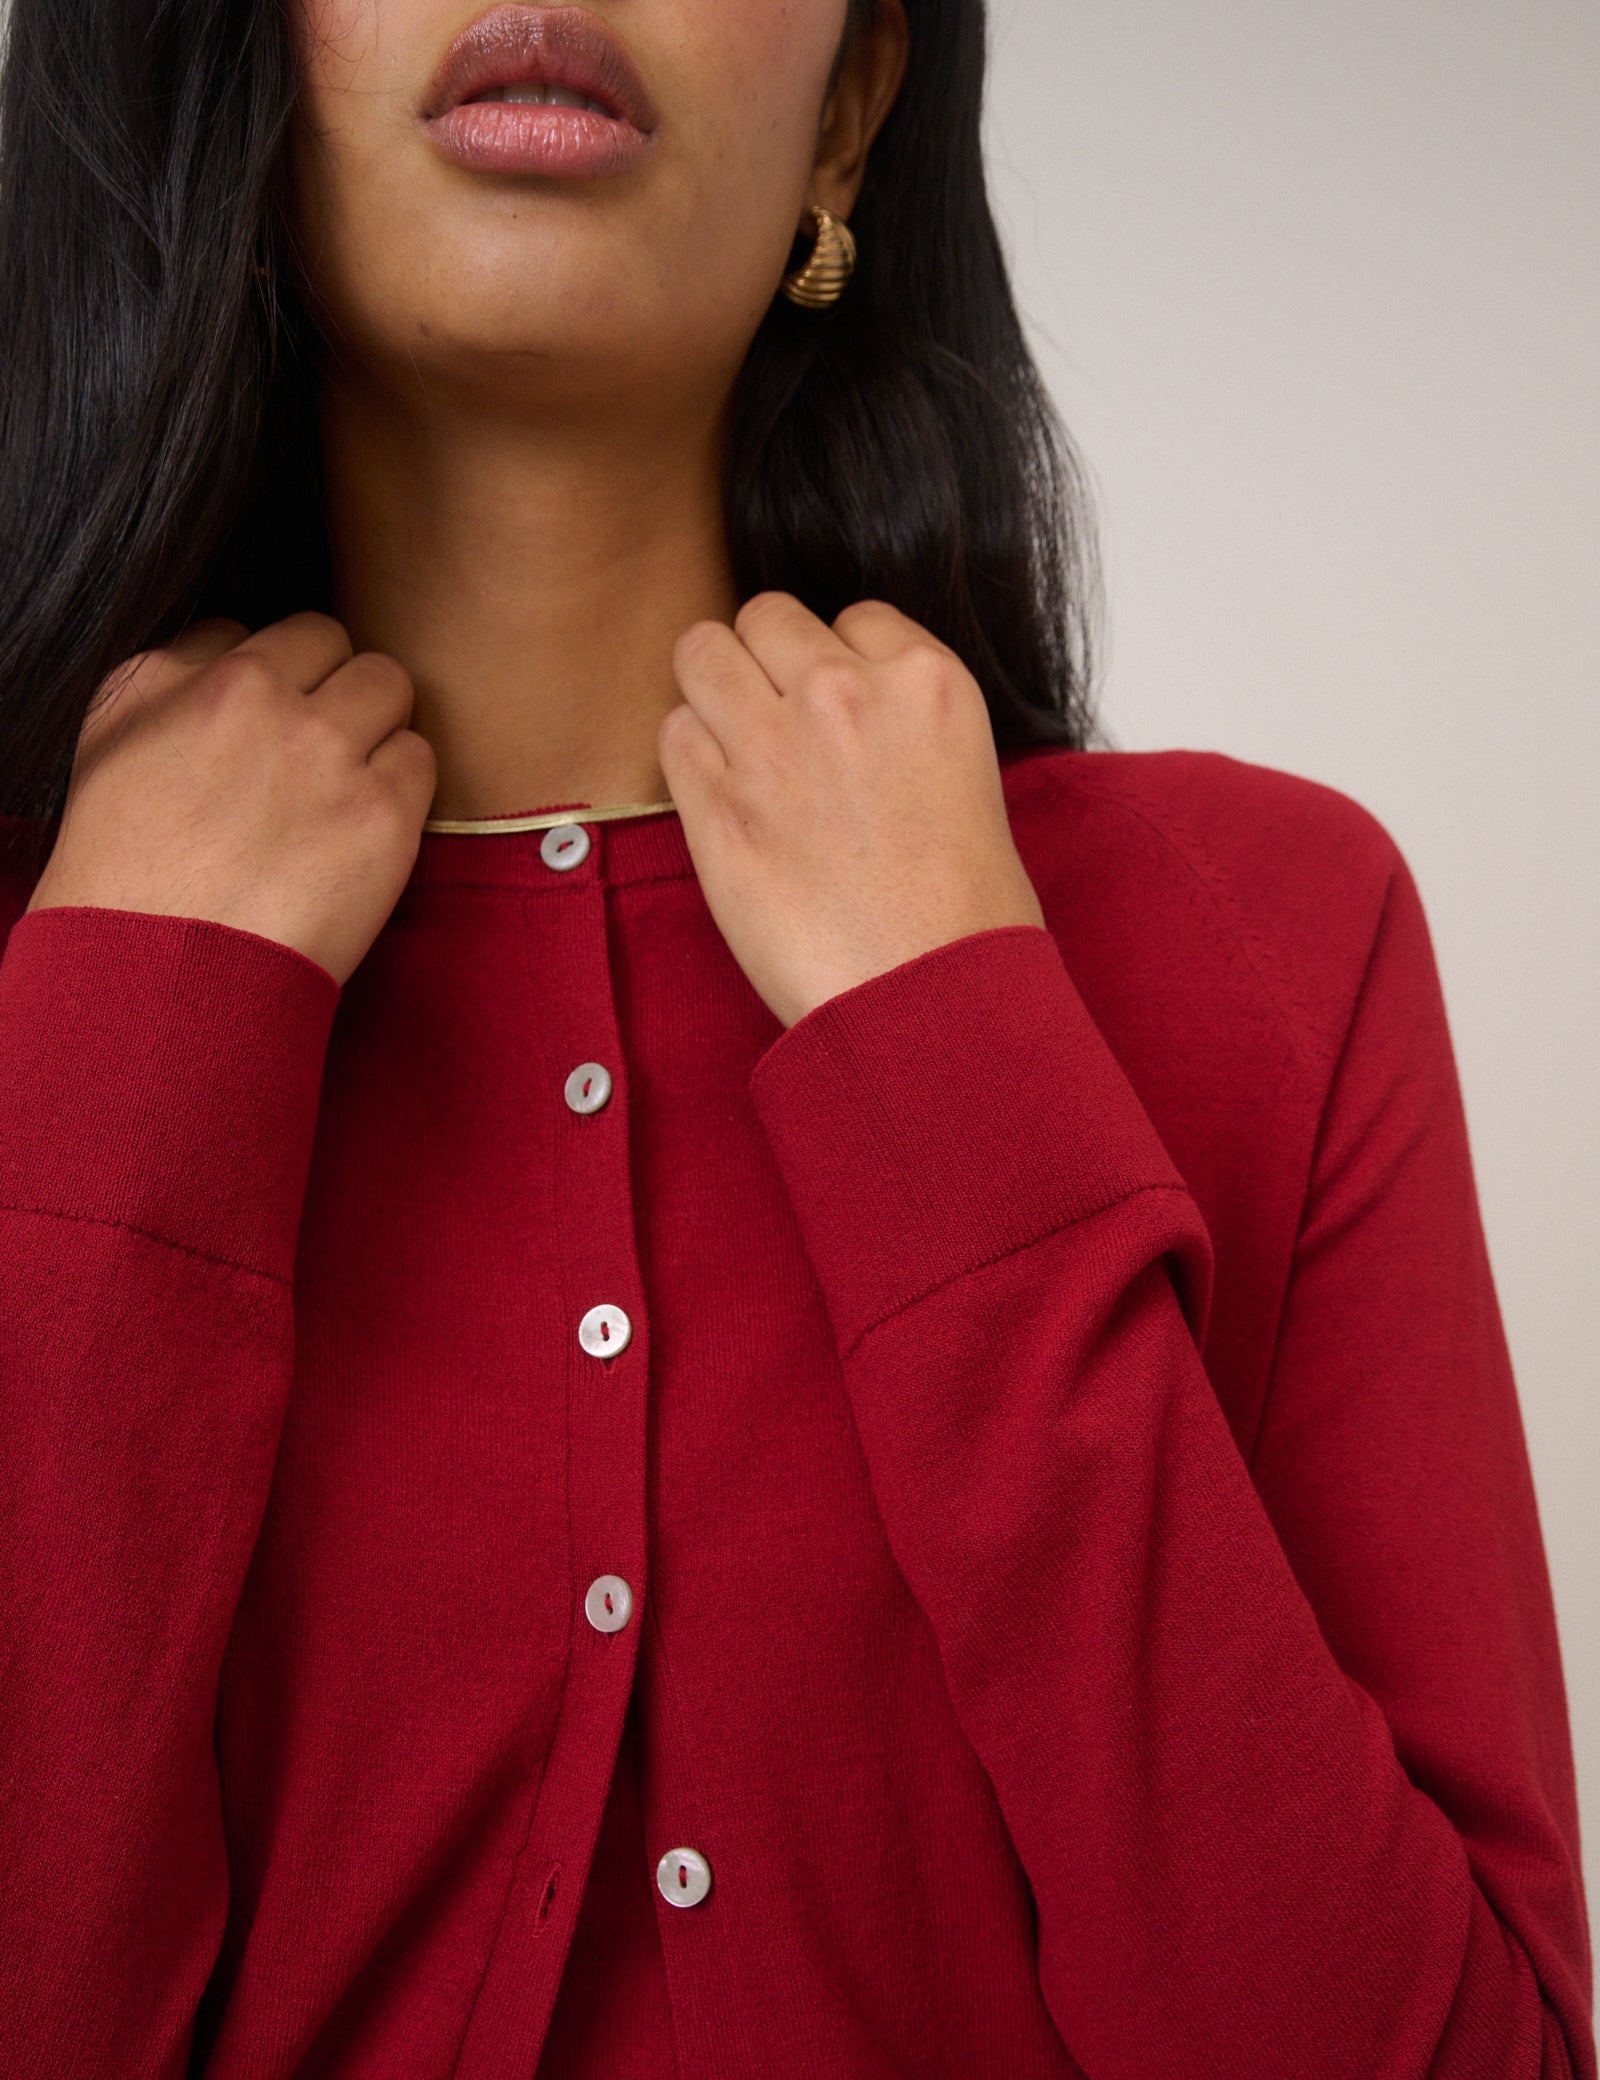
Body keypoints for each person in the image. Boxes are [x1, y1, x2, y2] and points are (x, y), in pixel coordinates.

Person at [0, 0, 1591, 2073]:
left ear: (847, 106)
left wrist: (945, 1047)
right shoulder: (56, 982)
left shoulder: (1266, 932)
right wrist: (124, 1060)